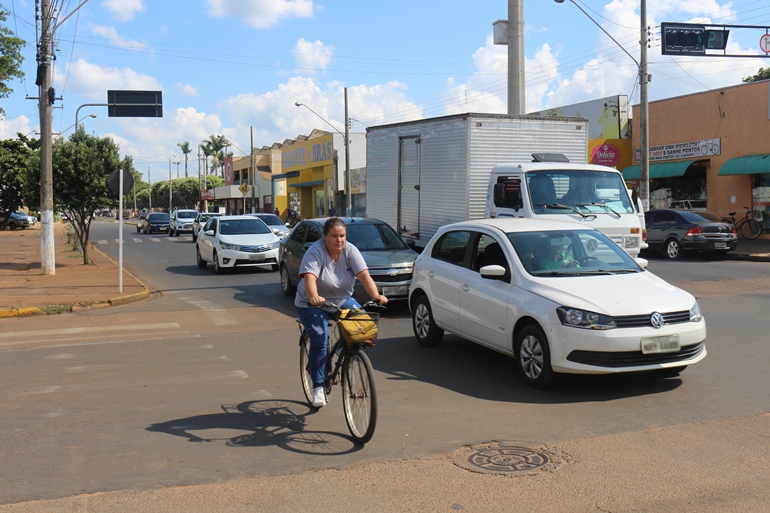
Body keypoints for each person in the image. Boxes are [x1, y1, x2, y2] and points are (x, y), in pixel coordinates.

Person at [295, 217, 388, 408]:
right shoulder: (315, 252)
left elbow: (364, 276)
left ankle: (345, 350)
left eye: (342, 236)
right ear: (324, 237)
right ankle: (318, 387)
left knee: (364, 328)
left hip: (341, 299)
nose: (339, 240)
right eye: (334, 236)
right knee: (320, 340)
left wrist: (377, 295)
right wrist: (314, 296)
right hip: (312, 303)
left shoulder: (350, 250)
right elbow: (310, 279)